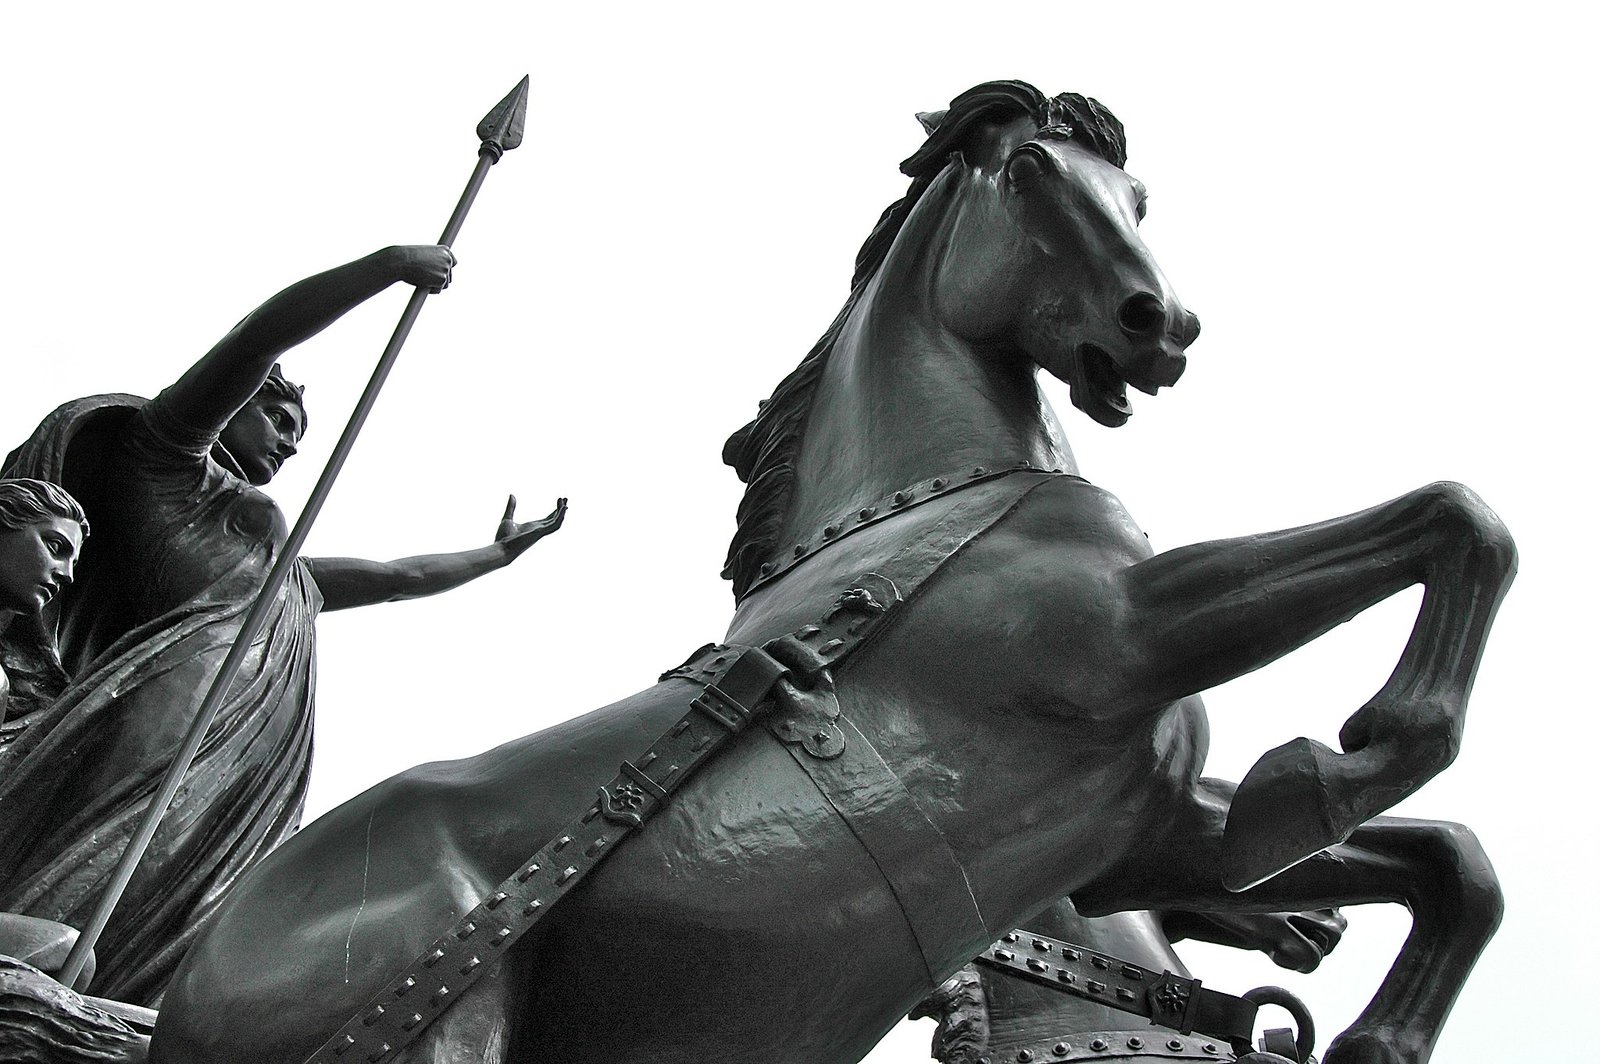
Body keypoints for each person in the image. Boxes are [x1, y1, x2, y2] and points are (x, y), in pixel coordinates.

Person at [0, 245, 566, 1005]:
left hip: (256, 756)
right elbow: (255, 341)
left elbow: (397, 579)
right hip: (177, 704)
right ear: (233, 404)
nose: (292, 442)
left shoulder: (282, 572)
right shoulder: (165, 462)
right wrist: (386, 267)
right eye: (278, 416)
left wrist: (494, 555)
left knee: (182, 907)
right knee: (100, 858)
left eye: (299, 433)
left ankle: (103, 1010)